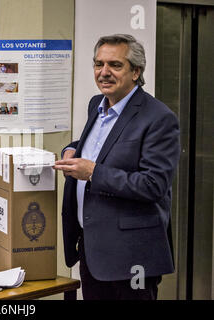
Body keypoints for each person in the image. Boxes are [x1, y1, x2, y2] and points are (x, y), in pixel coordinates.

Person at [54, 34, 180, 300]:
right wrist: (73, 148)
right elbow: (106, 146)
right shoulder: (96, 104)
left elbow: (153, 185)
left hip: (131, 257)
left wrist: (92, 172)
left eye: (115, 65)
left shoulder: (159, 118)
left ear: (136, 71)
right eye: (99, 64)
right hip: (93, 251)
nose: (104, 73)